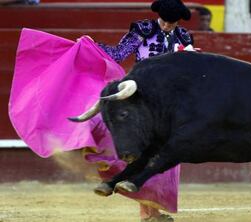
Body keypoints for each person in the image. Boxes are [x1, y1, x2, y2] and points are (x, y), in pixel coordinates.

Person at [9, 0, 194, 222]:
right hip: (139, 96)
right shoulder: (143, 30)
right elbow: (118, 54)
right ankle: (147, 212)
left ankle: (151, 211)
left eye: (171, 23)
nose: (167, 26)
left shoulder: (183, 37)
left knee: (165, 159)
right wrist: (91, 46)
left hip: (167, 103)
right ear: (158, 16)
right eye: (164, 21)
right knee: (145, 153)